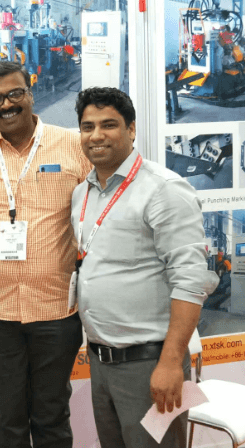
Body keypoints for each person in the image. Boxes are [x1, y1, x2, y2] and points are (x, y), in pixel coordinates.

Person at [0, 61, 91, 448]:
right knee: (7, 417)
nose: (6, 104)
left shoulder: (73, 147)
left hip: (57, 310)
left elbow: (96, 223)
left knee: (51, 415)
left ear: (31, 93)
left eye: (15, 94)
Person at [71, 87, 219, 448]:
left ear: (131, 129)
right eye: (88, 127)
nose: (96, 135)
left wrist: (170, 363)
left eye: (109, 125)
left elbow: (191, 282)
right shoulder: (82, 193)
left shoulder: (164, 189)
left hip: (150, 363)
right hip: (102, 362)